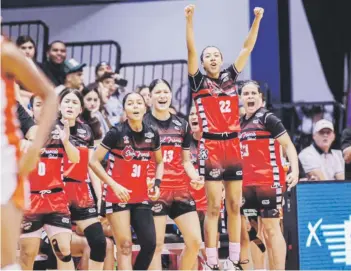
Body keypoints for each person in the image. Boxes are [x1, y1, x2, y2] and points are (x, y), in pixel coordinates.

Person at [185, 4, 264, 269]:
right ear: (204, 62)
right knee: (213, 207)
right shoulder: (198, 82)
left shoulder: (231, 77)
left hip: (233, 144)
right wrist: (190, 20)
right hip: (211, 145)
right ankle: (210, 260)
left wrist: (257, 19)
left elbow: (247, 47)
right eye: (208, 56)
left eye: (216, 55)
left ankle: (232, 259)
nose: (213, 58)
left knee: (233, 205)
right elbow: (191, 50)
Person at [89, 92, 164, 270]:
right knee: (125, 246)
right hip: (117, 197)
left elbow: (160, 161)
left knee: (150, 244)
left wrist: (157, 183)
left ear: (145, 107)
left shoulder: (152, 133)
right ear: (125, 109)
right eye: (131, 103)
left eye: (139, 102)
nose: (135, 106)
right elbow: (93, 161)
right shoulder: (116, 132)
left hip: (141, 196)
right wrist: (114, 185)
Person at [1, 36, 57, 270]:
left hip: (4, 161)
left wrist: (34, 149)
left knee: (5, 261)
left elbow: (50, 95)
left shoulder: (6, 53)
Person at [144, 79, 204, 270]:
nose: (162, 96)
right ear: (150, 97)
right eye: (158, 92)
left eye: (166, 92)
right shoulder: (142, 124)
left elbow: (186, 161)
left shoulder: (182, 124)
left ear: (171, 96)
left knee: (195, 242)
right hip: (156, 190)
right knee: (156, 246)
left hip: (180, 189)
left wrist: (195, 177)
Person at [239, 80, 299, 270]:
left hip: (268, 182)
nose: (250, 97)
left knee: (272, 229)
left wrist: (295, 171)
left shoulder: (268, 119)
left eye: (253, 93)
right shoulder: (239, 124)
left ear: (261, 99)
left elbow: (288, 145)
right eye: (246, 94)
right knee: (254, 233)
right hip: (247, 186)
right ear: (241, 98)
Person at [20, 94, 78, 270]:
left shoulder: (59, 130)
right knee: (28, 254)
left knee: (64, 249)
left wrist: (66, 142)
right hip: (30, 201)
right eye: (38, 104)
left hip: (56, 199)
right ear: (31, 109)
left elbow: (75, 158)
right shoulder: (21, 133)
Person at [59, 89, 107, 270]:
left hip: (80, 192)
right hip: (57, 192)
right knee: (62, 248)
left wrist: (100, 195)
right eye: (67, 101)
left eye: (74, 103)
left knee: (99, 242)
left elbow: (91, 166)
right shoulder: (49, 128)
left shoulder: (86, 130)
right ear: (59, 105)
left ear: (80, 109)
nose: (70, 105)